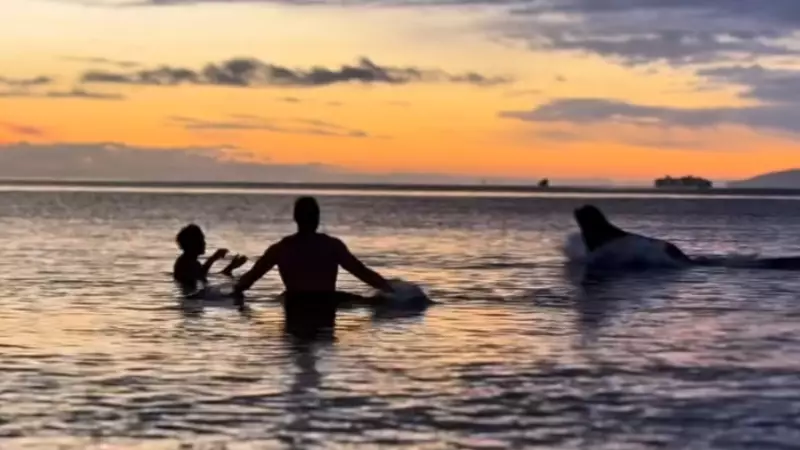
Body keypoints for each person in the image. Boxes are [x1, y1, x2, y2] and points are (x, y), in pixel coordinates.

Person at [232, 196, 393, 334]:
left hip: (295, 303)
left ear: (295, 218)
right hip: (327, 303)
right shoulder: (332, 246)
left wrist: (233, 290)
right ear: (317, 218)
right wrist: (390, 290)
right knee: (374, 303)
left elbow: (249, 280)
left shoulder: (280, 248)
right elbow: (362, 272)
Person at [173, 224, 248, 295]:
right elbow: (201, 276)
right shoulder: (186, 263)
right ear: (193, 244)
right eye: (201, 240)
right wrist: (214, 258)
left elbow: (203, 274)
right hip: (191, 297)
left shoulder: (188, 261)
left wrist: (230, 267)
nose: (204, 243)